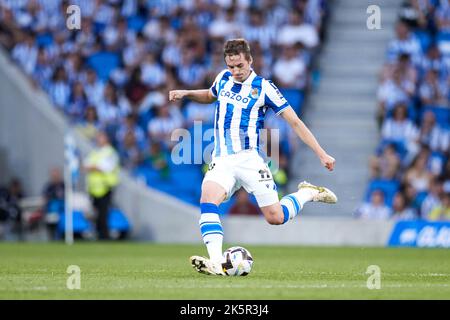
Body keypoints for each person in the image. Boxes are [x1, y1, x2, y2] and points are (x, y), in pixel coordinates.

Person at [169, 38, 337, 276]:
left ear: (250, 60)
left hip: (250, 161)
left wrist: (321, 153)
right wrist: (187, 93)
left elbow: (295, 122)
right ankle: (216, 261)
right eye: (231, 66)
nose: (235, 71)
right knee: (208, 199)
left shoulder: (264, 87)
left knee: (275, 217)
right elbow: (210, 95)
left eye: (239, 65)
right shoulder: (223, 78)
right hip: (222, 160)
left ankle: (308, 192)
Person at [83, 131, 120, 240]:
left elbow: (105, 167)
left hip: (105, 187)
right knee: (95, 214)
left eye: (101, 137)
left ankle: (104, 237)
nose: (99, 140)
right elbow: (86, 165)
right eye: (98, 138)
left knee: (103, 214)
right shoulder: (95, 152)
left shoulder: (110, 152)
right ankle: (98, 235)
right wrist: (94, 167)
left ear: (106, 139)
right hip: (93, 188)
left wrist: (93, 167)